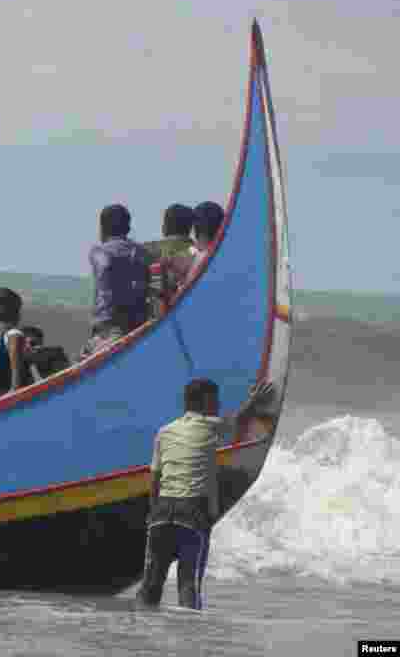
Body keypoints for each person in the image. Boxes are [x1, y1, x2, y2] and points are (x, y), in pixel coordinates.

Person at [136, 378, 275, 609]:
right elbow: (239, 419)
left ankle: (139, 631)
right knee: (188, 584)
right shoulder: (210, 425)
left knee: (150, 585)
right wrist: (254, 401)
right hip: (191, 513)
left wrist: (153, 515)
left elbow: (155, 481)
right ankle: (190, 641)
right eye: (216, 400)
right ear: (206, 401)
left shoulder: (164, 432)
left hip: (160, 514)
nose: (219, 404)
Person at [80, 204, 150, 358]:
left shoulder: (98, 252)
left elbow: (105, 268)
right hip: (138, 326)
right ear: (128, 228)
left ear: (102, 229)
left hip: (107, 328)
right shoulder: (142, 253)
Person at [143, 204, 197, 318]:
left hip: (156, 316)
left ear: (164, 227)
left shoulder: (148, 249)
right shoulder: (198, 251)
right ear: (190, 228)